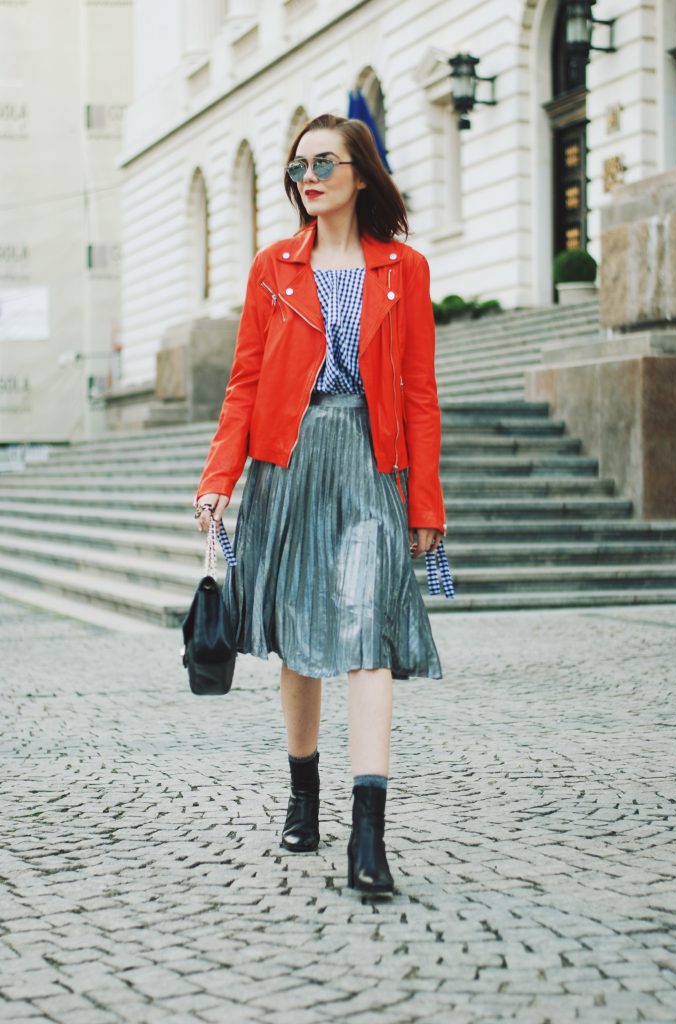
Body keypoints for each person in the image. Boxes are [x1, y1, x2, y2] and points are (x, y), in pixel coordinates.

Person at [194, 113, 451, 898]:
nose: (308, 177)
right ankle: (303, 792)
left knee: (368, 634)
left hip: (372, 464)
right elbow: (243, 383)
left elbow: (420, 393)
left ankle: (366, 835)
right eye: (299, 165)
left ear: (361, 175)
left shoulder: (405, 269)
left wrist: (426, 503)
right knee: (302, 642)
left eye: (325, 163)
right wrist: (219, 477)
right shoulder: (273, 267)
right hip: (288, 463)